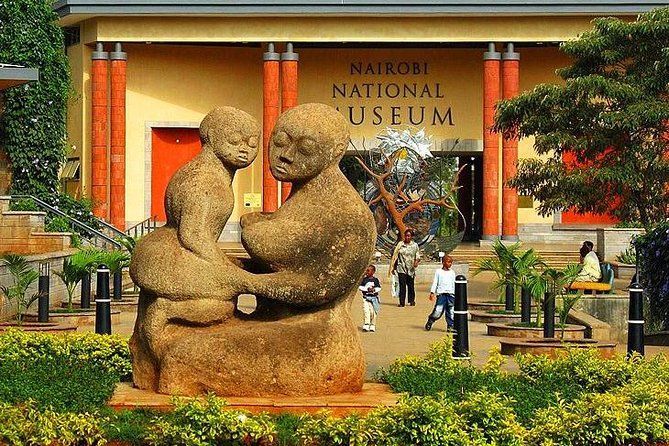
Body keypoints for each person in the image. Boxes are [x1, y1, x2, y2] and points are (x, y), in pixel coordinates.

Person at [425, 255, 456, 331]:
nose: (450, 264)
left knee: (451, 311)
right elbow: (435, 282)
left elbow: (454, 283)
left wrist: (455, 294)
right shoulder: (438, 272)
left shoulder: (452, 272)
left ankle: (450, 326)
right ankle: (431, 320)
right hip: (441, 295)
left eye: (451, 262)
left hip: (451, 295)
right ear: (443, 262)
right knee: (438, 310)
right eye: (448, 262)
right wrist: (432, 292)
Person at [390, 228, 421, 307]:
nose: (407, 237)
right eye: (406, 236)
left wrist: (416, 262)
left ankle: (411, 300)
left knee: (411, 286)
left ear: (411, 237)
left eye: (408, 236)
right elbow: (395, 256)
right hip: (401, 267)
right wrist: (393, 267)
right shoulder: (400, 245)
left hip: (411, 269)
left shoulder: (415, 245)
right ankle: (402, 302)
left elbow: (417, 255)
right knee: (402, 286)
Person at [359, 265, 381, 332]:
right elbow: (360, 287)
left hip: (374, 299)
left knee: (373, 312)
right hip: (366, 298)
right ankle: (366, 324)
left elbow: (379, 288)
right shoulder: (364, 280)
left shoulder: (375, 280)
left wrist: (374, 290)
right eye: (366, 270)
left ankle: (372, 325)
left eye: (368, 270)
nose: (366, 272)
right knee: (366, 311)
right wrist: (367, 289)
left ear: (373, 272)